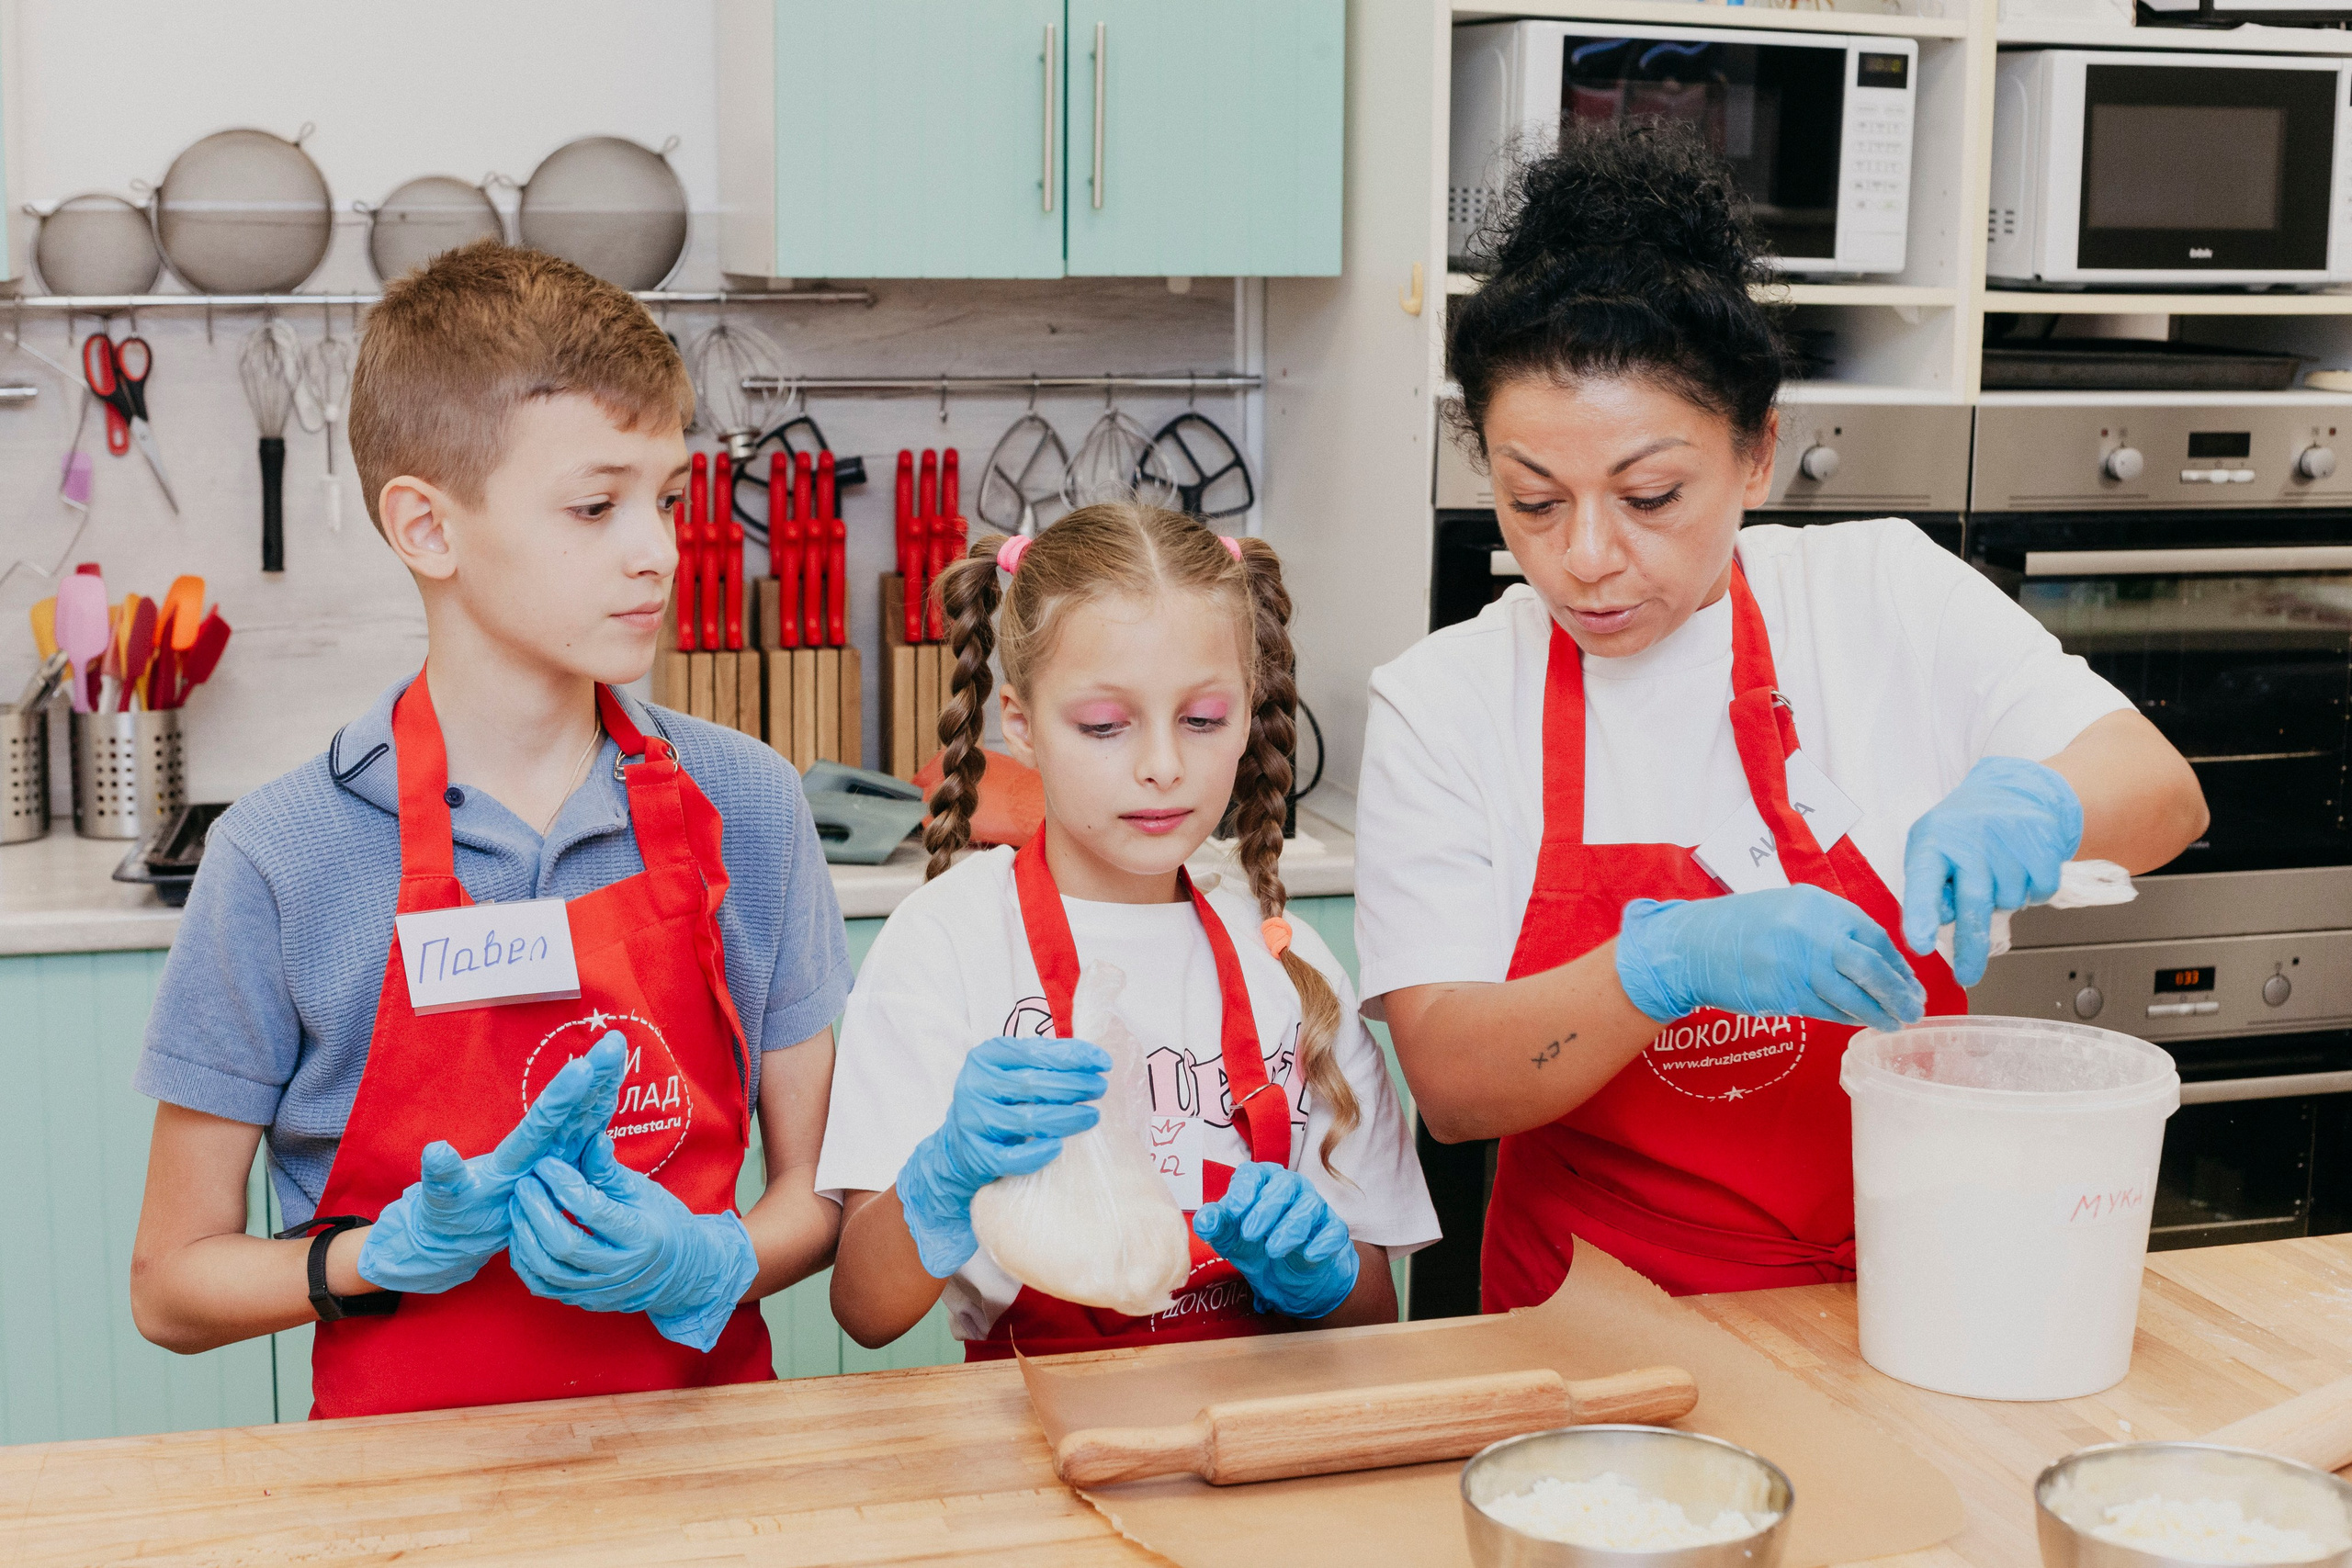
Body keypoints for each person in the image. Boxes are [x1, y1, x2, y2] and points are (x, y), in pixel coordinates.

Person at [1353, 123, 2209, 1309]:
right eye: (1532, 501)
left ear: (1759, 453)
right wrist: (1663, 965)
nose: (1587, 558)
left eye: (1651, 494)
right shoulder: (1447, 698)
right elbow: (1453, 1082)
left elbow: (2163, 792)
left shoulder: (1880, 590)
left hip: (1922, 1277)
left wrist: (2044, 798)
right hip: (1597, 1326)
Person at [127, 243, 850, 1416]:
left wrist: (708, 1263)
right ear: (426, 528)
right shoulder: (283, 857)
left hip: (706, 1477)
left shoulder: (751, 807)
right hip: (405, 1505)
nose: (658, 550)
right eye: (594, 506)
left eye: (666, 498)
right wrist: (372, 1256)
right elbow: (168, 1287)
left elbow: (823, 1195)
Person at [820, 503, 1437, 1357]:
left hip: (1256, 1442)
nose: (1162, 763)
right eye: (1106, 726)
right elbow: (865, 1309)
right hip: (1030, 1443)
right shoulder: (947, 944)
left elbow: (1373, 1322)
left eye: (1203, 719)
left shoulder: (1291, 962)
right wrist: (944, 1175)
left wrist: (1320, 1273)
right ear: (1020, 722)